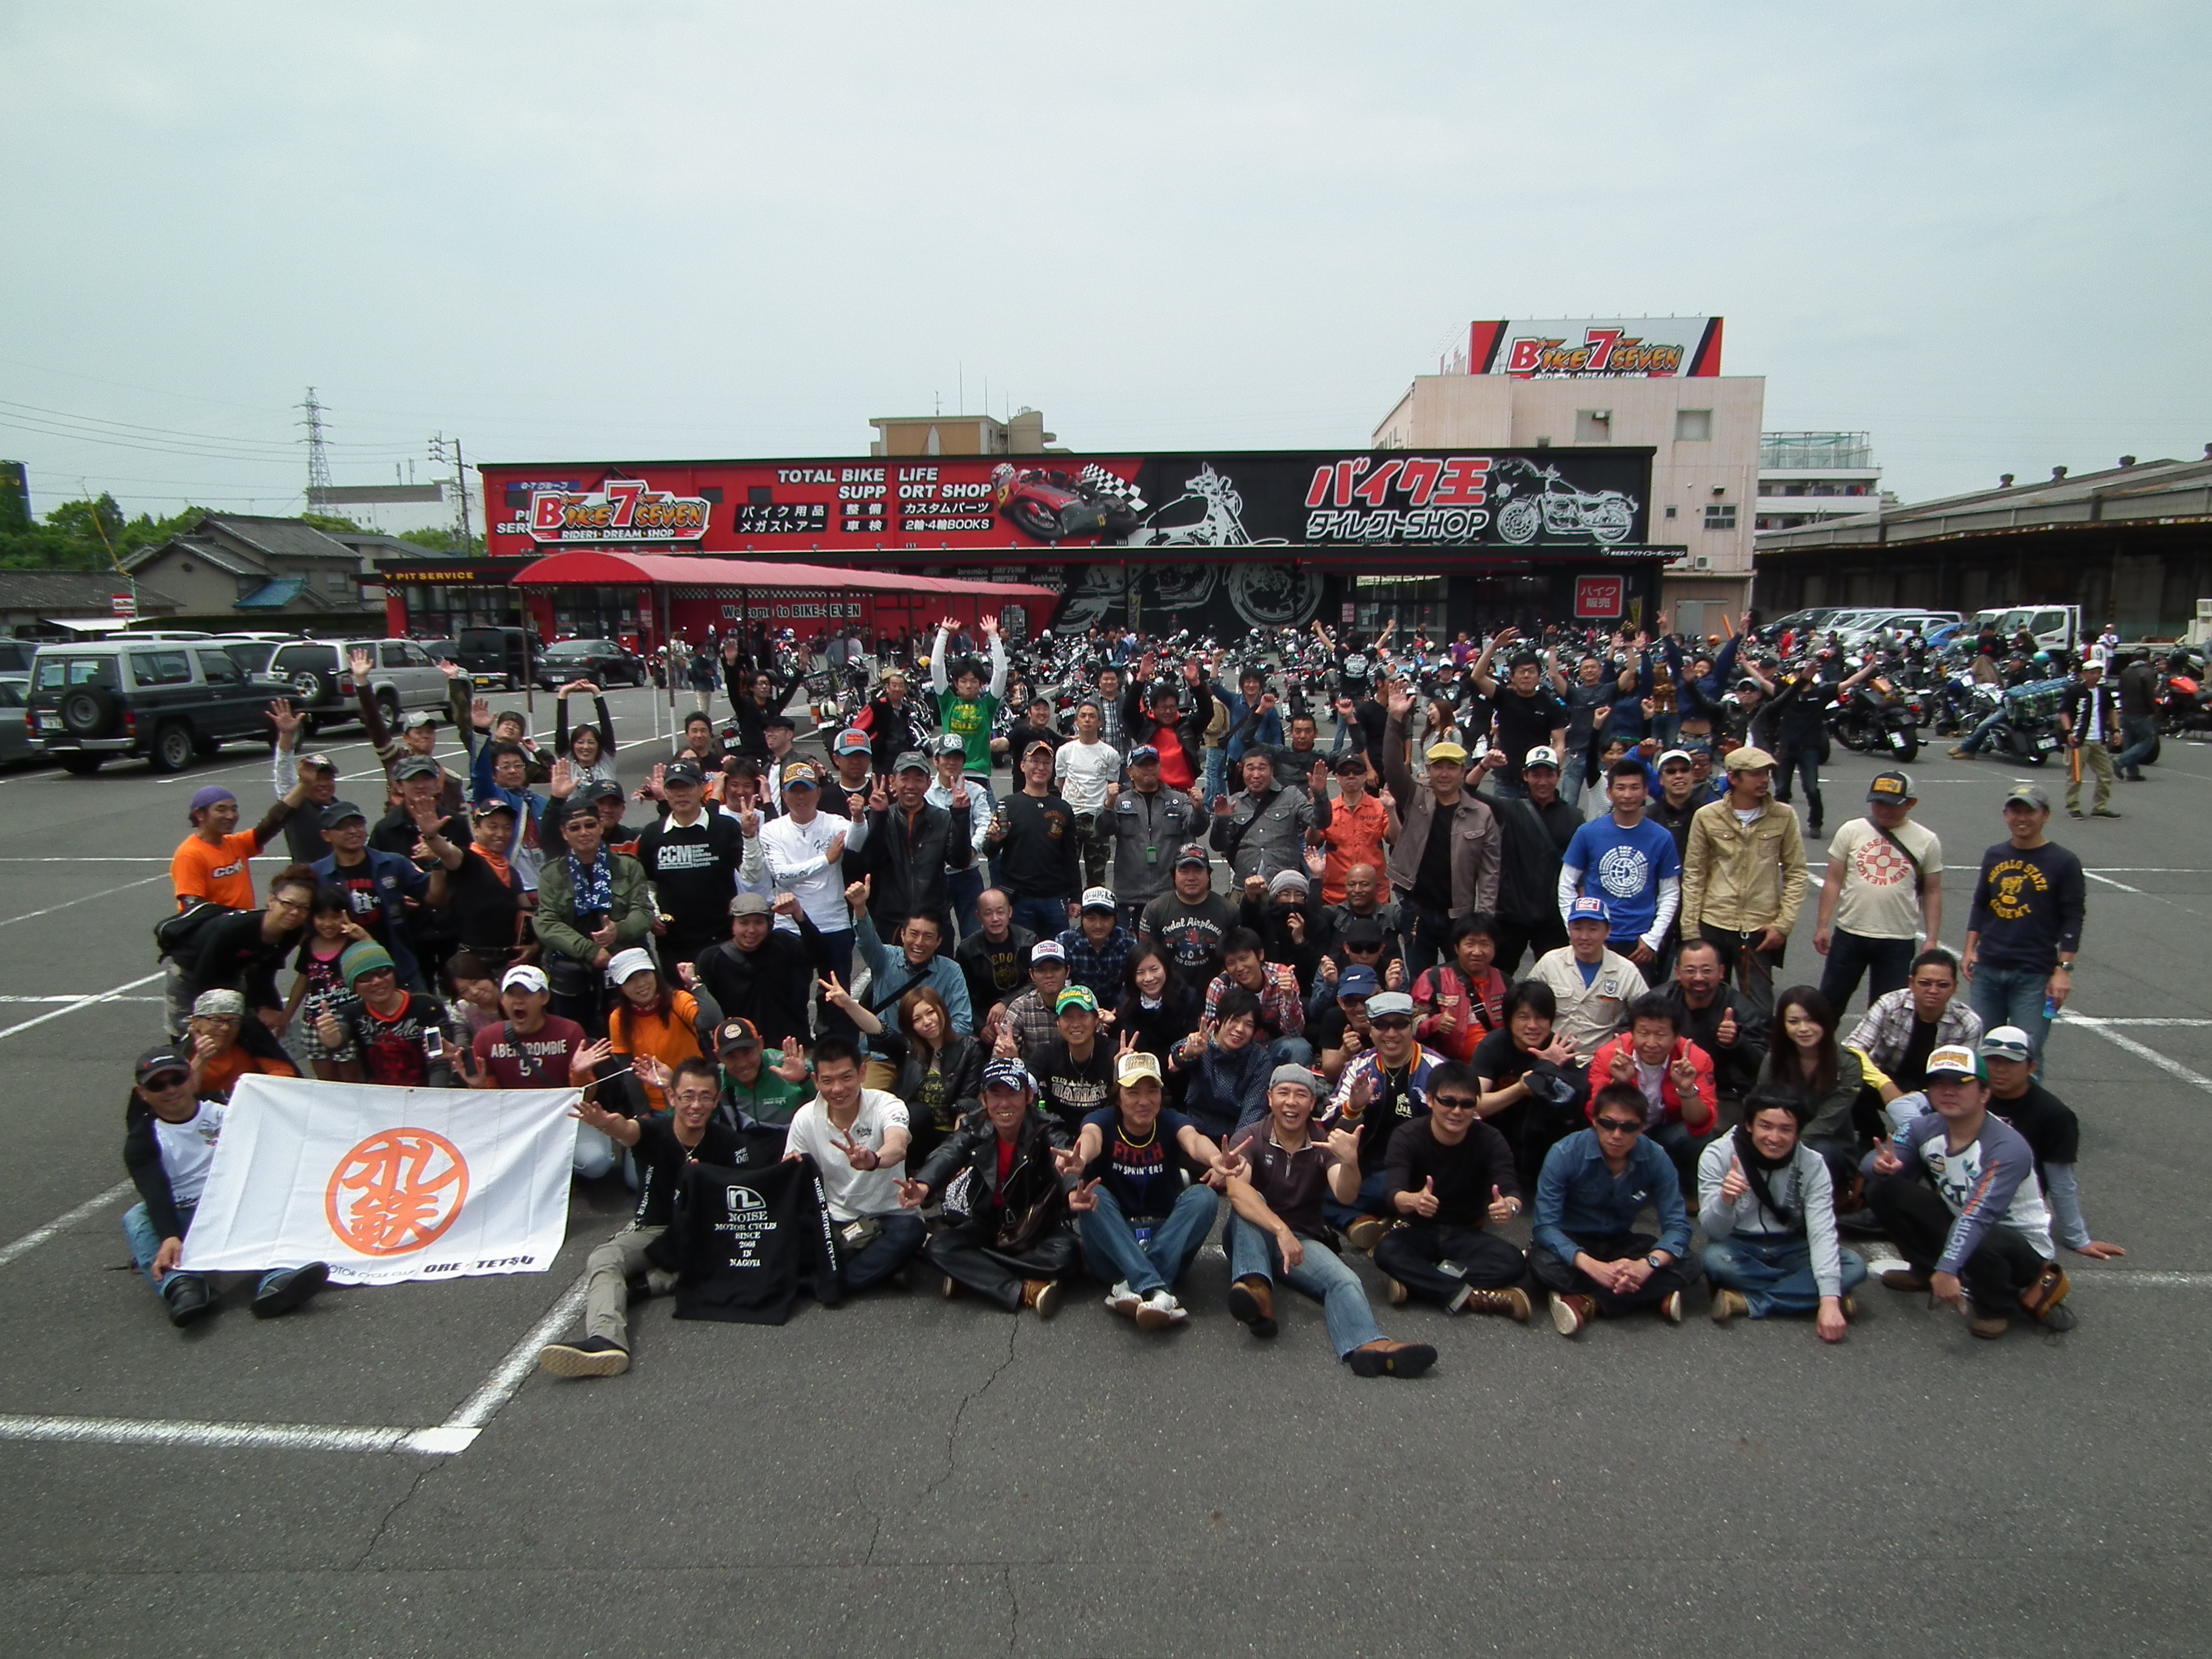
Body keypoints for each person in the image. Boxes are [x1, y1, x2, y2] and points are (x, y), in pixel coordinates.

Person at [539, 1056, 776, 1376]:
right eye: (688, 1096)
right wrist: (605, 1123)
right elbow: (626, 1130)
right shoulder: (653, 1131)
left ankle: (651, 1283)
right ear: (672, 1097)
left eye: (705, 1097)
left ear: (716, 1100)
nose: (696, 1105)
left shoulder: (729, 1142)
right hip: (655, 1230)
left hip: (706, 1235)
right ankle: (606, 1340)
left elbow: (749, 1193)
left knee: (747, 1258)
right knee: (605, 1258)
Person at [1219, 1064, 1437, 1376]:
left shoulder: (1323, 1142)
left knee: (1345, 1279)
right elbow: (1237, 1192)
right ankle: (1256, 1290)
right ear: (1269, 1099)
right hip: (1253, 1235)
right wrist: (1280, 1230)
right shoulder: (1250, 1137)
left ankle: (1368, 1345)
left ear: (1312, 1103)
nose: (1291, 1102)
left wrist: (1350, 1163)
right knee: (1251, 1204)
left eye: (1301, 1095)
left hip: (1301, 1241)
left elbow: (1346, 1195)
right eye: (1283, 1093)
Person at [1866, 1044, 2072, 1339]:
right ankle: (1924, 1270)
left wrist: (1948, 1269)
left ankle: (1995, 1306)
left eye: (1960, 1085)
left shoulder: (2006, 1147)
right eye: (1939, 1084)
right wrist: (1880, 1167)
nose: (1948, 1092)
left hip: (2017, 1246)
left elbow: (1980, 1215)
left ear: (1984, 1094)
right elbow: (1871, 1164)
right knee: (1885, 1190)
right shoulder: (1925, 1127)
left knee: (1983, 1234)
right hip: (1964, 1220)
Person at [121, 1044, 330, 1330]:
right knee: (136, 1217)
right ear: (143, 1094)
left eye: (177, 1079)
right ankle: (182, 1286)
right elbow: (154, 1191)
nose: (170, 1090)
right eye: (158, 1085)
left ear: (191, 1079)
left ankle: (278, 1279)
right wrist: (169, 1235)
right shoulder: (141, 1141)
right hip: (188, 1214)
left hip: (239, 1203)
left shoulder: (231, 1113)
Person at [1059, 1049, 1236, 1330]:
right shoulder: (1102, 1119)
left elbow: (1193, 1140)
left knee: (1203, 1196)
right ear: (1118, 1096)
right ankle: (1157, 1290)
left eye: (1152, 1091)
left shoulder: (1170, 1120)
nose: (1144, 1101)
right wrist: (1081, 1157)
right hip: (1114, 1245)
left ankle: (1130, 1286)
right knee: (1093, 1196)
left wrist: (1215, 1158)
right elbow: (1090, 1137)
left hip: (1165, 1240)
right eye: (1133, 1092)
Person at [896, 1057, 1078, 1316]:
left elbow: (1063, 1155)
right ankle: (1025, 1290)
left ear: (1028, 1096)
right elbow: (949, 1152)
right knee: (938, 1247)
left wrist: (1073, 1188)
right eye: (995, 1095)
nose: (1004, 1104)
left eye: (1012, 1094)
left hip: (1034, 1226)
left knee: (1066, 1255)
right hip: (987, 1224)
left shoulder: (1047, 1127)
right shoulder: (975, 1127)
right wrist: (924, 1185)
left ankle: (971, 1272)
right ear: (984, 1099)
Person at [1529, 1080, 1702, 1335]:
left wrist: (1646, 1265)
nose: (1617, 1135)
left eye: (1628, 1127)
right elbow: (1545, 1226)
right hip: (1575, 1242)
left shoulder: (1656, 1157)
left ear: (1642, 1127)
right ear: (1594, 1121)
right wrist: (1592, 1266)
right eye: (1608, 1124)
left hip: (1620, 1242)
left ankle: (1588, 1301)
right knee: (1540, 1262)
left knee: (1690, 1261)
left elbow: (1677, 1226)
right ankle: (1649, 1296)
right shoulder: (1564, 1153)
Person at [1371, 1061, 1532, 1319]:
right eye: (1448, 1102)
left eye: (1467, 1104)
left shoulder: (1491, 1139)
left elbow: (1510, 1188)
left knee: (1514, 1262)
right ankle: (1471, 1297)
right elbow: (1394, 1193)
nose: (1457, 1111)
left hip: (1465, 1232)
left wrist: (1509, 1207)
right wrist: (1414, 1200)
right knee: (1386, 1252)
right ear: (1430, 1100)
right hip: (1419, 1228)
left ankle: (1419, 1283)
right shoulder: (1407, 1135)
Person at [1700, 1085, 1864, 1336]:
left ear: (1798, 1132)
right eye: (1766, 1126)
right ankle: (1808, 1291)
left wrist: (1829, 1300)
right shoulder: (1717, 1155)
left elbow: (1822, 1231)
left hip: (1792, 1244)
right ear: (1749, 1125)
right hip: (1740, 1245)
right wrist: (1725, 1200)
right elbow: (1714, 1231)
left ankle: (1749, 1301)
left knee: (1854, 1264)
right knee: (1714, 1260)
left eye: (1786, 1129)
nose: (1774, 1138)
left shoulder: (1813, 1163)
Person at [782, 1036, 926, 1292]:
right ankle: (874, 1267)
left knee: (911, 1231)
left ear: (862, 1073)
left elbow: (898, 1146)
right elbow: (792, 1173)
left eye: (846, 1078)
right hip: (835, 1217)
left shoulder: (887, 1104)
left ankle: (828, 1281)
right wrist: (790, 1170)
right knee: (784, 1232)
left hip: (889, 1216)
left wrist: (874, 1160)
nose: (838, 1089)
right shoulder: (804, 1118)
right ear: (815, 1081)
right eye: (828, 1081)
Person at [1678, 746, 1808, 1016]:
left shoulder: (1784, 816)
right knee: (1705, 1003)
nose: (1764, 780)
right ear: (1733, 778)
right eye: (1755, 774)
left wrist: (1783, 925)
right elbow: (1694, 874)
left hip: (1760, 927)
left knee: (1760, 1010)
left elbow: (1796, 873)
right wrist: (1690, 931)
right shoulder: (1707, 816)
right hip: (1714, 921)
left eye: (1767, 774)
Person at [1961, 783, 2085, 1066]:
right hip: (1988, 968)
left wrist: (2063, 969)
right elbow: (1981, 903)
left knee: (2026, 1054)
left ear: (2045, 816)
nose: (2022, 819)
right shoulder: (1994, 855)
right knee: (1982, 1050)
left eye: (2030, 812)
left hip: (2034, 973)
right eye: (2015, 812)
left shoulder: (2063, 861)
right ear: (2005, 815)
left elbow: (2073, 916)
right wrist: (1969, 949)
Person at [1979, 1025, 2126, 1261]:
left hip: (2012, 1207)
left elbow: (2061, 1182)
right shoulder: (1966, 1095)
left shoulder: (2054, 1115)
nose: (2001, 1069)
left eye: (2011, 1062)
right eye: (1993, 1060)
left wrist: (2077, 1238)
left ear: (2032, 1067)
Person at [1382, 682, 1500, 974]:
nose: (1444, 774)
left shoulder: (1482, 814)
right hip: (1416, 910)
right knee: (1419, 982)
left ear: (1463, 771)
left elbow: (1489, 874)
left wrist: (1483, 922)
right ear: (1429, 770)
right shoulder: (1415, 797)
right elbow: (1392, 767)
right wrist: (1395, 718)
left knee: (1460, 983)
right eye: (1438, 767)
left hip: (1459, 916)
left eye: (1451, 767)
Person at [1814, 769, 1943, 1016]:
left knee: (1889, 1010)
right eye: (1878, 803)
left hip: (1897, 937)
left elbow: (1932, 891)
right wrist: (1823, 925)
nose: (1883, 810)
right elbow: (1833, 880)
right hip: (1851, 931)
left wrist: (1931, 938)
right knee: (1829, 1002)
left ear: (1910, 804)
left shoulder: (1927, 840)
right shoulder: (1852, 830)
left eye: (1891, 805)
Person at [471, 964, 618, 1179]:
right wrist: (477, 1086)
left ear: (544, 998)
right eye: (511, 994)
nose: (518, 1001)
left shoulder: (570, 1031)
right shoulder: (486, 1038)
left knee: (597, 1163)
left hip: (564, 1116)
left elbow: (586, 1098)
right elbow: (489, 1106)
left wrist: (579, 1073)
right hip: (514, 1121)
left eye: (527, 993)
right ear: (502, 1000)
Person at [1321, 988, 1443, 1247]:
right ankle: (1368, 1221)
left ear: (1412, 1025)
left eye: (1400, 1024)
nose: (1391, 1033)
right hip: (1368, 1163)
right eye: (1381, 1025)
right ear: (1371, 1028)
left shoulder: (1437, 1070)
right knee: (1311, 1184)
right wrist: (1353, 1107)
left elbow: (1469, 1123)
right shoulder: (1359, 1066)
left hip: (1422, 1167)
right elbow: (1329, 1126)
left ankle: (1378, 1218)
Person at [1558, 756, 1682, 985]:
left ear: (1646, 792)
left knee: (1639, 1004)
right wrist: (1575, 931)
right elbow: (1566, 883)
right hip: (1596, 936)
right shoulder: (1588, 833)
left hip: (1640, 941)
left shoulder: (1662, 837)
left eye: (1635, 788)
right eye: (1621, 788)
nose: (1627, 795)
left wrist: (1652, 940)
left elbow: (1670, 892)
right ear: (1609, 793)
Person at [534, 801, 655, 1032]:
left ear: (600, 827)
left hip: (622, 957)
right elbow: (547, 924)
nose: (584, 832)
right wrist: (590, 951)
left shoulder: (628, 867)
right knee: (575, 1032)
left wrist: (618, 930)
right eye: (575, 828)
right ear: (564, 833)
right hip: (572, 964)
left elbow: (644, 912)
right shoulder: (551, 875)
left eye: (590, 825)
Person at [1586, 992, 1718, 1198]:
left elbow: (1702, 1123)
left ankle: (1688, 1192)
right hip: (1624, 1130)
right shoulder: (1609, 1055)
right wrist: (1619, 1084)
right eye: (1643, 1033)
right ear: (1632, 1033)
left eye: (1661, 1035)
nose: (1651, 1043)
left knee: (1699, 1137)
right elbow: (1595, 1115)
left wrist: (1686, 1090)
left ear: (1676, 1036)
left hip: (1666, 1131)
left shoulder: (1696, 1059)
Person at [848, 880, 973, 1087]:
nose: (919, 943)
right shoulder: (885, 958)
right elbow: (867, 941)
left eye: (928, 936)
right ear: (903, 934)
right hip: (884, 1058)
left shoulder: (951, 971)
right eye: (913, 934)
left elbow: (963, 1023)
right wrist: (860, 908)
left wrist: (931, 1043)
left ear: (939, 942)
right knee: (867, 1097)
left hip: (933, 1058)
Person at [635, 758, 752, 974]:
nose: (681, 794)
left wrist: (750, 837)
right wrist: (654, 914)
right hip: (673, 941)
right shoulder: (653, 833)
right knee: (680, 997)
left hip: (721, 936)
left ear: (701, 789)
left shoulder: (725, 828)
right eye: (674, 788)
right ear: (666, 793)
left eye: (687, 786)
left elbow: (752, 875)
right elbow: (647, 884)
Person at [1480, 745, 1580, 976]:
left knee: (1557, 980)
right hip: (1511, 914)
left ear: (1559, 775)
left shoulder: (1575, 818)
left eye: (1549, 774)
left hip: (1552, 917)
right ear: (1525, 775)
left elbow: (1579, 870)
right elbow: (1468, 790)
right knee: (1497, 979)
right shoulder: (1510, 809)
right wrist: (1484, 765)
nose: (1542, 782)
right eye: (1536, 775)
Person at [857, 752, 977, 940]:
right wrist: (878, 816)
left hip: (933, 920)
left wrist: (961, 816)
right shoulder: (883, 817)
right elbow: (872, 861)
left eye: (918, 779)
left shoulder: (943, 818)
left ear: (928, 784)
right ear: (892, 781)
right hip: (892, 920)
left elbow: (960, 861)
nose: (911, 786)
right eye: (904, 778)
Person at [314, 941, 458, 1088]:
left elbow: (439, 1059)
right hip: (381, 1096)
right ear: (353, 986)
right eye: (366, 977)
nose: (377, 981)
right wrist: (331, 1038)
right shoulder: (351, 1013)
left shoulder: (426, 1006)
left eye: (384, 972)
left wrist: (433, 1095)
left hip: (428, 1092)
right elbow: (339, 1039)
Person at [1845, 948, 1982, 1093]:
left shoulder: (1968, 1024)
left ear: (1955, 987)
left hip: (1935, 1090)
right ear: (1911, 983)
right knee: (1846, 1076)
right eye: (1925, 983)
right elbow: (1852, 1048)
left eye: (1943, 985)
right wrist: (1884, 1084)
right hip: (1882, 1081)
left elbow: (1964, 1075)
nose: (1933, 991)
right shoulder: (1889, 1005)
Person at [988, 739, 1082, 943]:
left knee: (1056, 953)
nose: (1041, 767)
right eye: (1035, 761)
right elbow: (990, 851)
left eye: (1046, 763)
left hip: (1054, 899)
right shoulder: (1007, 805)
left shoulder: (1063, 808)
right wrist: (994, 840)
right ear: (1022, 766)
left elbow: (1070, 856)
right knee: (1021, 954)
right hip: (1019, 899)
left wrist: (1076, 897)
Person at [1106, 743, 1205, 930]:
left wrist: (1199, 809)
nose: (1149, 769)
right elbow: (1104, 830)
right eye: (1143, 765)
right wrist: (1108, 806)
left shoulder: (1180, 799)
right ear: (1129, 771)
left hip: (1168, 894)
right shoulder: (1119, 801)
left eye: (1153, 764)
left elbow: (1197, 828)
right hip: (1129, 895)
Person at [1530, 896, 1645, 1057]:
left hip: (1602, 1059)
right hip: (1551, 1055)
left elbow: (1647, 1016)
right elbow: (1526, 1005)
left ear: (1608, 931)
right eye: (1577, 929)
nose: (1584, 936)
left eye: (1593, 929)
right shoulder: (1549, 962)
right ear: (1569, 930)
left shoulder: (1627, 971)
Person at [1210, 748, 1332, 886]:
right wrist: (1221, 820)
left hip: (1284, 888)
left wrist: (1320, 794)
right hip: (1245, 886)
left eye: (1262, 768)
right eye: (1250, 769)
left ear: (1272, 771)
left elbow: (1321, 822)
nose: (1256, 775)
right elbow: (1218, 845)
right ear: (1243, 772)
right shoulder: (1233, 803)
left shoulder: (1291, 796)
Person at [1469, 631, 1567, 799]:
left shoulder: (1551, 705)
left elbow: (1559, 743)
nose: (1526, 676)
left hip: (1537, 781)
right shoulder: (1504, 697)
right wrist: (1494, 646)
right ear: (1513, 677)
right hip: (1506, 782)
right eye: (1521, 671)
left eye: (1531, 671)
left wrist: (1554, 769)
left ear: (1539, 676)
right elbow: (1477, 676)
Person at [605, 948, 703, 1114]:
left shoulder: (678, 999)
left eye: (645, 974)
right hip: (658, 1107)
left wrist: (694, 984)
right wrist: (643, 1112)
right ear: (621, 988)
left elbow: (711, 1021)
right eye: (630, 980)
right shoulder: (618, 1018)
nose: (641, 984)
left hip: (698, 1096)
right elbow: (629, 1071)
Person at [1017, 984, 1116, 1133]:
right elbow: (1026, 1083)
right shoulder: (1048, 1052)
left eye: (1083, 1016)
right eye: (1068, 1017)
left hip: (1105, 1131)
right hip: (1058, 1134)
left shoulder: (1114, 1052)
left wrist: (1121, 1072)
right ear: (1058, 1022)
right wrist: (1012, 1066)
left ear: (1096, 1019)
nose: (1075, 1024)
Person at [1411, 913, 1507, 1067]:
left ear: (1495, 948)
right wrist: (1436, 1023)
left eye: (1485, 944)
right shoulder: (1433, 978)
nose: (1477, 951)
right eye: (1470, 944)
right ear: (1457, 948)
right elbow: (1412, 1024)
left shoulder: (1505, 982)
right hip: (1446, 1066)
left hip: (1495, 1066)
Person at [1204, 927, 1309, 1065]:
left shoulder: (1282, 976)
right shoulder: (1220, 987)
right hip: (1234, 1055)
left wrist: (1290, 998)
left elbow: (1294, 1033)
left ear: (1260, 955)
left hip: (1271, 1049)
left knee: (1299, 1047)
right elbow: (1211, 1037)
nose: (1240, 967)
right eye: (1231, 963)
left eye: (1244, 959)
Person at [923, 736, 993, 940]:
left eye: (957, 758)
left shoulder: (976, 791)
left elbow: (985, 823)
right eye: (946, 757)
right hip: (935, 875)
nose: (951, 763)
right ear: (936, 760)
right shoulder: (925, 793)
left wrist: (972, 849)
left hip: (967, 874)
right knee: (936, 934)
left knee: (974, 934)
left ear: (964, 762)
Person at [1139, 843, 1238, 984]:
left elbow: (1236, 959)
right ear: (1174, 875)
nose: (1191, 878)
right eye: (1184, 871)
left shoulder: (1229, 911)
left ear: (1208, 875)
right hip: (1169, 992)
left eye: (1198, 871)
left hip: (1216, 992)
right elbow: (1145, 960)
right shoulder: (1154, 910)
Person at [180, 988, 302, 1099]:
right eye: (216, 1020)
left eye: (234, 1021)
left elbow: (284, 1073)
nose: (226, 1028)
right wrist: (201, 1058)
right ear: (196, 1022)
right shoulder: (182, 1054)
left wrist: (251, 1090)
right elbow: (183, 1098)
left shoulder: (248, 1039)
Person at [928, 614, 1007, 780]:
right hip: (951, 776)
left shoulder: (987, 705)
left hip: (979, 776)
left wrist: (993, 636)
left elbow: (1001, 672)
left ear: (981, 684)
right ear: (956, 684)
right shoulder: (947, 703)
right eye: (964, 681)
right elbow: (936, 666)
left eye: (974, 681)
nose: (969, 685)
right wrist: (944, 633)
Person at [1054, 699, 1122, 888]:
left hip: (1097, 819)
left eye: (1092, 716)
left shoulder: (1110, 754)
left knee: (1097, 877)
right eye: (1083, 716)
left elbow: (1111, 786)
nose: (1087, 720)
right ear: (1076, 721)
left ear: (1100, 722)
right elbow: (1062, 783)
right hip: (1070, 817)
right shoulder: (1064, 751)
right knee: (1065, 872)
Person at [1313, 751, 1392, 907]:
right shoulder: (1327, 809)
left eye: (1357, 771)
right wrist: (1317, 808)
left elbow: (1394, 839)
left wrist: (1392, 810)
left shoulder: (1380, 806)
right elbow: (1313, 841)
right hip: (1335, 895)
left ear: (1365, 775)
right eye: (1344, 772)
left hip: (1376, 894)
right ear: (1336, 777)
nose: (1351, 776)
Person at [1113, 947, 1199, 1089]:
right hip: (1139, 1073)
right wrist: (1114, 1023)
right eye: (1140, 973)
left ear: (1165, 968)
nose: (1149, 978)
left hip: (1178, 1071)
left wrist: (1181, 1056)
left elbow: (1191, 1037)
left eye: (1154, 969)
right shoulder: (1125, 999)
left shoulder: (1187, 997)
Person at [955, 888, 1035, 1031]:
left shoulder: (1029, 941)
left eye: (1000, 912)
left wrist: (1006, 1002)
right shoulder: (967, 950)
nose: (995, 918)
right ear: (978, 916)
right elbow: (963, 996)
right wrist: (980, 1027)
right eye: (988, 913)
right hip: (987, 1018)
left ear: (1010, 912)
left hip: (1025, 1011)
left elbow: (1036, 983)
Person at [2059, 652, 2124, 819]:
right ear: (2084, 674)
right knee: (2076, 776)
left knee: (2106, 773)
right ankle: (2073, 805)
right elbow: (2064, 713)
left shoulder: (2104, 692)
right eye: (2092, 673)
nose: (2096, 676)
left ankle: (2100, 806)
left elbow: (2111, 711)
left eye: (2098, 673)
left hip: (2098, 739)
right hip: (2079, 740)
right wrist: (2068, 732)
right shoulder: (2075, 691)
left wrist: (2116, 730)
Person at [1058, 886, 1136, 1000]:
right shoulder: (1065, 942)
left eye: (1105, 919)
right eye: (1091, 918)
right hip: (1076, 1003)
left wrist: (1117, 1010)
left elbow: (1131, 985)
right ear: (1082, 918)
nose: (1098, 925)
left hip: (1117, 1006)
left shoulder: (1128, 943)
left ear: (1116, 918)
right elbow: (1061, 984)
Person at [552, 680, 620, 786]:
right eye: (580, 742)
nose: (586, 747)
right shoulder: (567, 760)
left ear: (599, 745)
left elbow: (606, 725)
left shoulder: (606, 759)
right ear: (572, 745)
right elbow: (561, 728)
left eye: (591, 742)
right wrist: (564, 692)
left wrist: (595, 691)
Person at [2114, 648, 2160, 782]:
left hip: (2126, 710)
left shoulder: (2125, 672)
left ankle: (2133, 772)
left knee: (2130, 741)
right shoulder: (2148, 673)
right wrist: (2153, 710)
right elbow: (2150, 694)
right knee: (2148, 739)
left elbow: (2120, 690)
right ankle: (2121, 761)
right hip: (2140, 712)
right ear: (2148, 658)